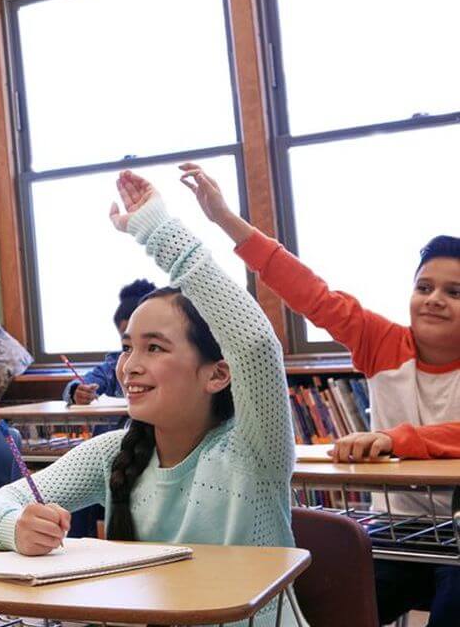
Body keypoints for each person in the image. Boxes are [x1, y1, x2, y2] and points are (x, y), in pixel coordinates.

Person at [0, 170, 301, 627]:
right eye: (128, 347)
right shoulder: (114, 452)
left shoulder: (250, 448)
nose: (130, 366)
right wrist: (16, 528)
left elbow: (256, 344)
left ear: (218, 375)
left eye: (155, 347)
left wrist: (157, 229)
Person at [183, 160, 460, 626]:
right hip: (395, 532)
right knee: (324, 598)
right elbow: (308, 291)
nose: (434, 299)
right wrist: (225, 220)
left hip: (456, 541)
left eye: (455, 292)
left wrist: (399, 439)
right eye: (424, 286)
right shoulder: (382, 342)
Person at [63, 279, 157, 406]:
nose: (131, 363)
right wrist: (78, 391)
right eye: (127, 347)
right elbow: (83, 383)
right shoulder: (113, 366)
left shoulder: (166, 365)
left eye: (150, 346)